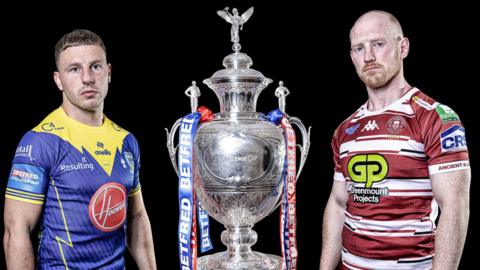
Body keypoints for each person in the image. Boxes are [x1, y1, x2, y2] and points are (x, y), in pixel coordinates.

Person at [319, 10, 470, 270]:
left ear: (403, 47)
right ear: (352, 56)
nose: (368, 56)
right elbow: (337, 202)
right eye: (358, 48)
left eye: (378, 44)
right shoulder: (345, 129)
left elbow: (454, 206)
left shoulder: (436, 118)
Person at [3, 29, 157, 269]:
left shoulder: (126, 141)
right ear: (58, 80)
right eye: (74, 69)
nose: (87, 78)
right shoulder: (39, 141)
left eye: (95, 66)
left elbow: (136, 217)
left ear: (109, 72)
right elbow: (17, 231)